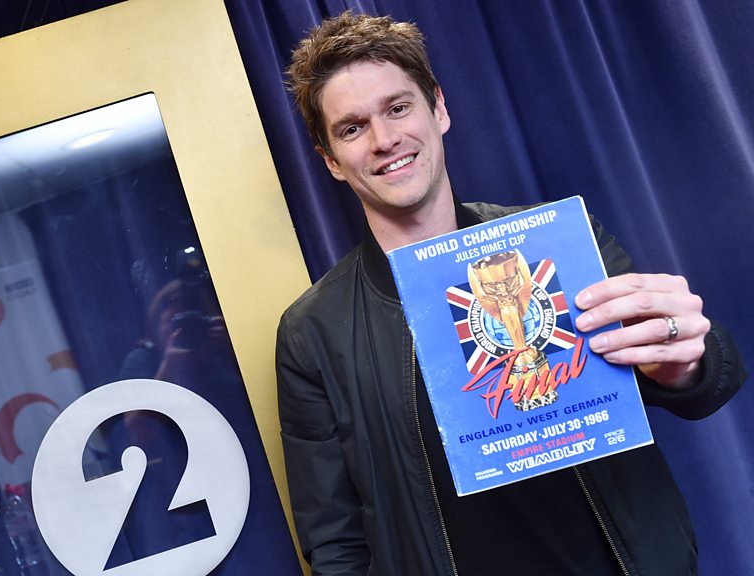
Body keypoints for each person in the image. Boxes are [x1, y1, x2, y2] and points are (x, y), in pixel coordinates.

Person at [275, 12, 746, 576]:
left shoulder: (558, 244)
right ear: (330, 160)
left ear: (439, 108)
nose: (384, 140)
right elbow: (334, 543)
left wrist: (685, 363)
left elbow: (699, 383)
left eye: (398, 108)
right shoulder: (312, 332)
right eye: (352, 128)